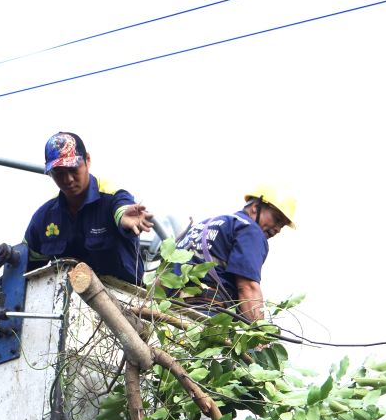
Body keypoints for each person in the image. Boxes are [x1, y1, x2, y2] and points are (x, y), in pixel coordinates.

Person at [24, 131, 153, 284]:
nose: (68, 180)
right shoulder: (44, 218)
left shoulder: (112, 197)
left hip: (122, 298)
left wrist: (123, 217)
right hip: (65, 299)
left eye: (73, 170)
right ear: (50, 173)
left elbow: (121, 209)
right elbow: (21, 265)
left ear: (88, 160)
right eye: (59, 173)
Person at [174, 184, 297, 321]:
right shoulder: (250, 230)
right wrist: (259, 335)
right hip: (207, 313)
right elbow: (248, 287)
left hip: (171, 312)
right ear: (256, 207)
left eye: (282, 225)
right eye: (277, 219)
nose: (278, 229)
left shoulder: (204, 225)